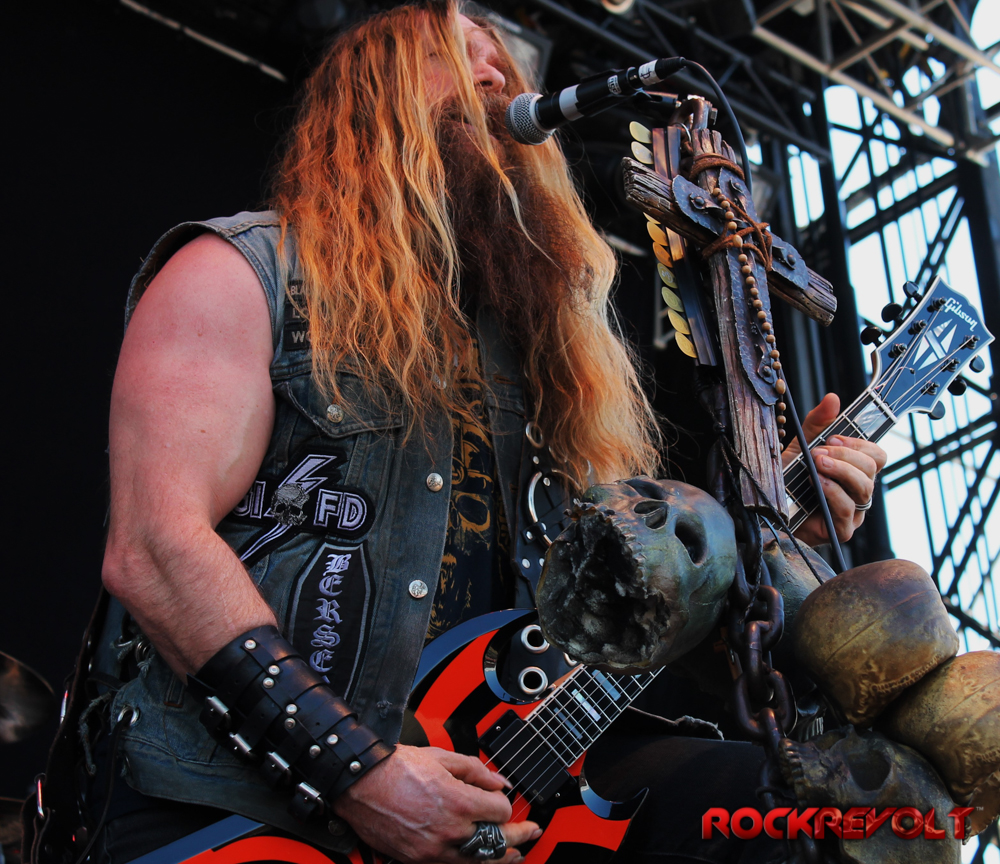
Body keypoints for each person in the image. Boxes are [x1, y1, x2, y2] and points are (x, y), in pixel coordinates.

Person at [63, 3, 886, 863]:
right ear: (372, 98)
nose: (495, 76)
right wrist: (357, 773)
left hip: (512, 798)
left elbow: (630, 633)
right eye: (459, 56)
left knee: (820, 811)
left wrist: (765, 535)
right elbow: (156, 549)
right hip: (247, 814)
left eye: (502, 64)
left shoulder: (557, 362)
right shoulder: (241, 272)